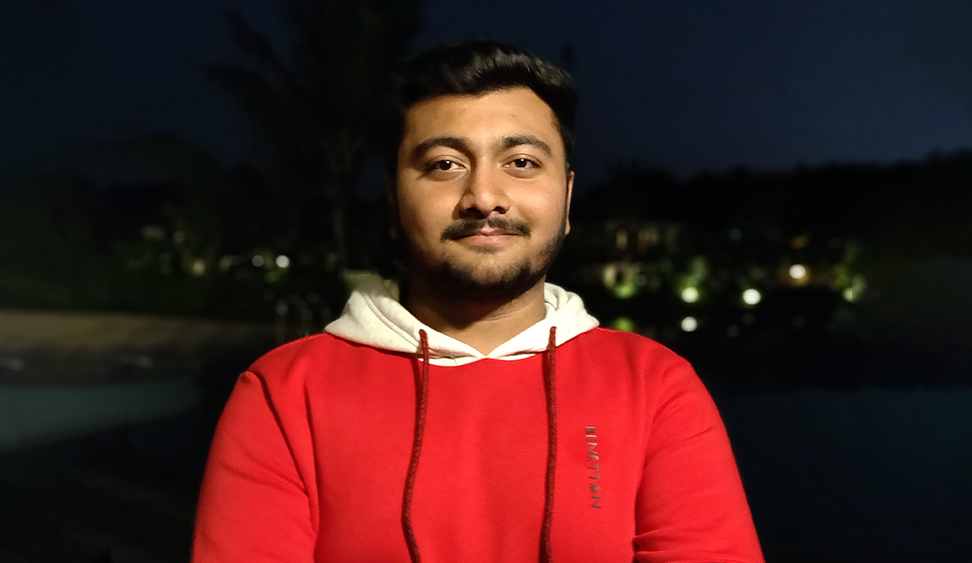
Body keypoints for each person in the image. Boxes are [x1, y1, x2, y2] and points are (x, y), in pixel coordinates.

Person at [192, 39, 764, 563]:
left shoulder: (655, 386)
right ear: (394, 201)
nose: (484, 197)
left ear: (565, 198)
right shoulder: (285, 394)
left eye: (521, 163)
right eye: (444, 164)